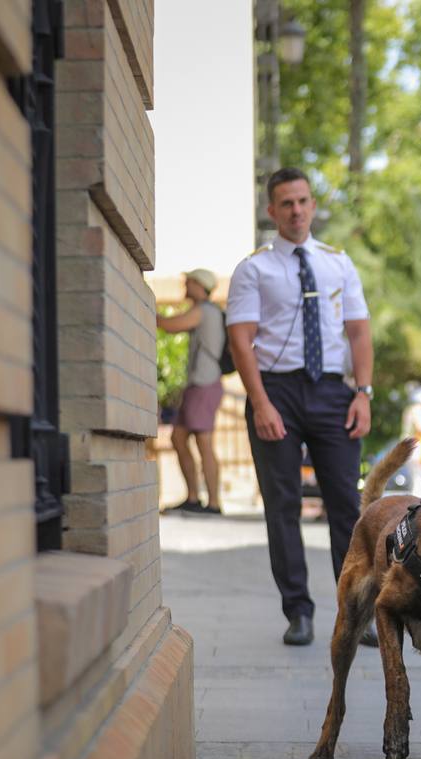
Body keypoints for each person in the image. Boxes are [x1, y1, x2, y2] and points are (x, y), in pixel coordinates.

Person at [226, 167, 375, 647]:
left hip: (333, 392)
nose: (296, 210)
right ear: (272, 211)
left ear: (313, 205)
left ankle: (355, 613)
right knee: (283, 505)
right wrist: (261, 404)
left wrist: (363, 393)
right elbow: (242, 342)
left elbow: (358, 331)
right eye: (286, 203)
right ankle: (299, 611)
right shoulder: (254, 269)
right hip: (278, 393)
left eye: (303, 201)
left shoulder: (338, 263)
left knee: (346, 507)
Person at [157, 268, 226, 515]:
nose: (184, 285)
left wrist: (143, 307)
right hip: (199, 384)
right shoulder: (208, 312)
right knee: (178, 437)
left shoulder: (205, 311)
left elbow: (168, 325)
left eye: (189, 282)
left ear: (199, 285)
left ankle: (214, 503)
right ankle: (194, 497)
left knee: (204, 442)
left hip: (204, 384)